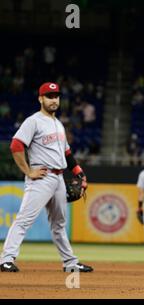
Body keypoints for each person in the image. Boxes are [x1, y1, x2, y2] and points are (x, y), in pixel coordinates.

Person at [0, 82, 92, 273]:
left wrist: (79, 173)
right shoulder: (33, 121)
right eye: (49, 96)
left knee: (59, 224)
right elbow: (16, 145)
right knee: (24, 219)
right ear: (40, 99)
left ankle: (70, 263)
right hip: (41, 178)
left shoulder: (58, 124)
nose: (54, 100)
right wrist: (28, 171)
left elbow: (67, 153)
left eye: (56, 96)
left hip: (59, 179)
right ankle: (6, 259)